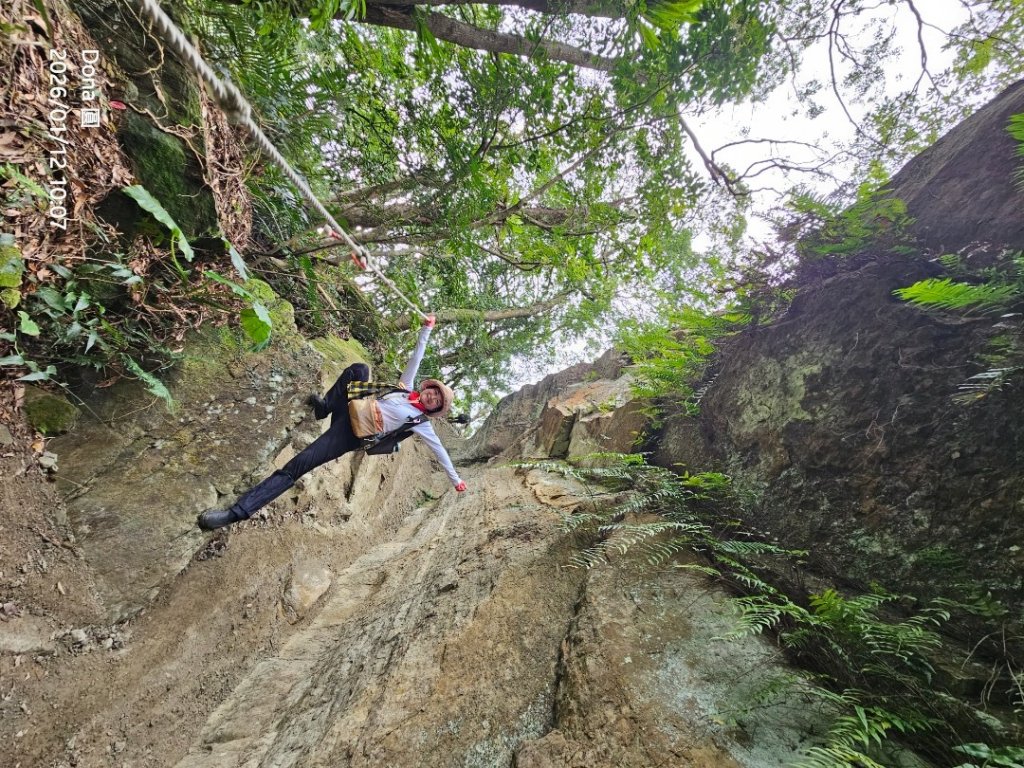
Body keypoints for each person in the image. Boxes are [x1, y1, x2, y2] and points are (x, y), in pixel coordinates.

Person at [197, 313, 466, 531]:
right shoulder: (405, 388)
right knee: (359, 370)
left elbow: (440, 451)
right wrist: (426, 329)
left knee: (296, 467)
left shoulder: (420, 422)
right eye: (433, 391)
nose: (431, 396)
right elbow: (416, 357)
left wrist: (456, 480)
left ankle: (235, 514)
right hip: (351, 410)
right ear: (428, 388)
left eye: (436, 400)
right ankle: (325, 408)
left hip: (351, 434)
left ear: (436, 408)